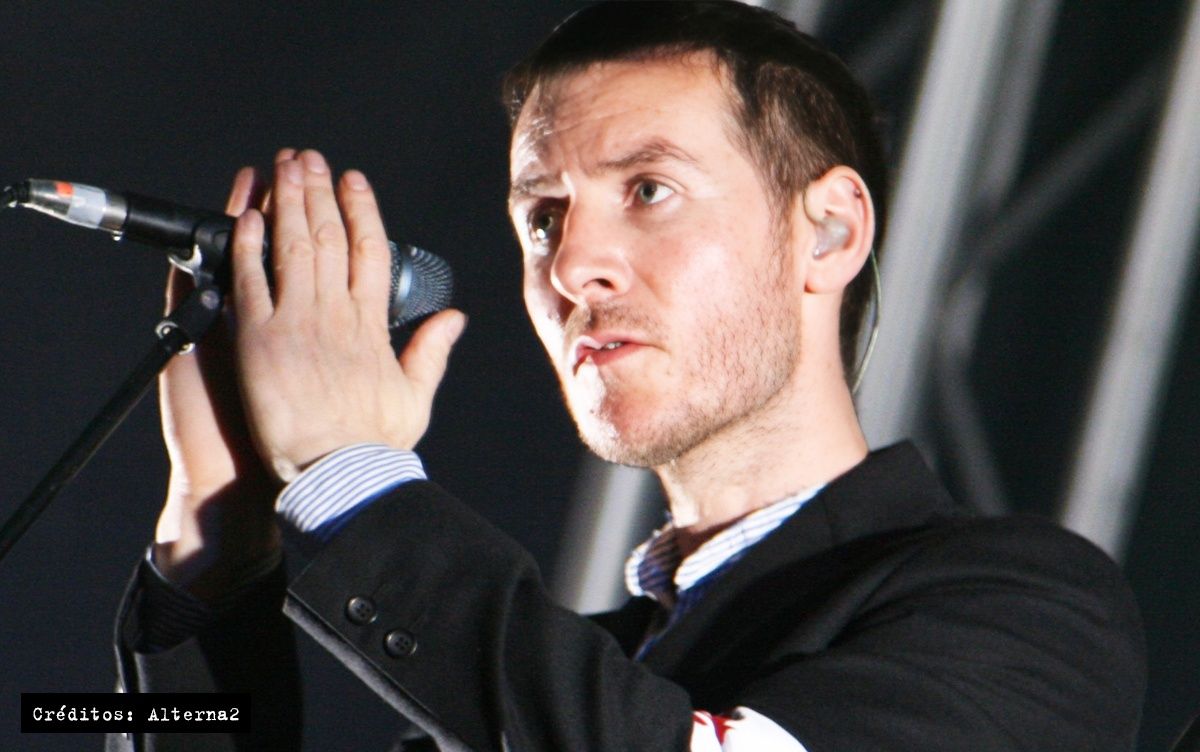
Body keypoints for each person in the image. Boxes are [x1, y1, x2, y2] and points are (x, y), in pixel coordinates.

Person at [107, 2, 1146, 750]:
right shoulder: (514, 696)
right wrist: (212, 551)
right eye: (542, 217)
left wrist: (353, 475)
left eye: (649, 189)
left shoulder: (1026, 611)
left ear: (828, 231)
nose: (571, 266)